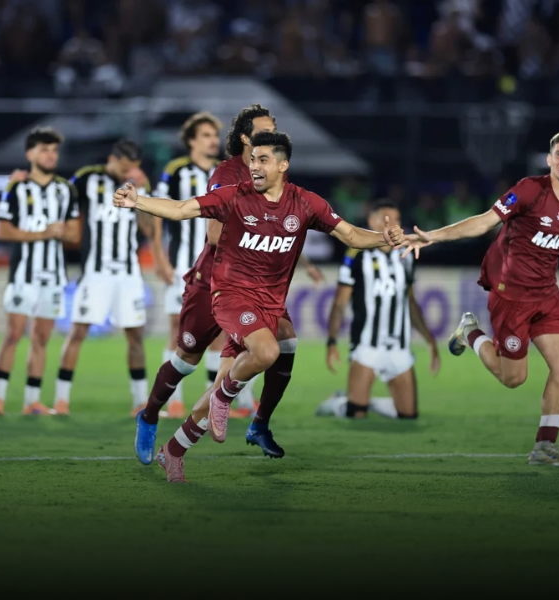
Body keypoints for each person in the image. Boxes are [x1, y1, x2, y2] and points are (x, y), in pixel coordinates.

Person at [115, 131, 405, 482]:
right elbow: (180, 209)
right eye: (252, 159)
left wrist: (382, 239)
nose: (254, 166)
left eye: (263, 159)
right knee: (265, 353)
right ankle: (220, 403)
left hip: (270, 303)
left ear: (283, 165)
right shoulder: (234, 197)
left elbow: (351, 235)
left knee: (270, 351)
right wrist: (138, 201)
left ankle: (174, 450)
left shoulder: (305, 203)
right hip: (231, 296)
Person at [402, 132, 559, 467]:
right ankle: (470, 332)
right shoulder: (530, 189)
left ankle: (544, 447)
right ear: (549, 159)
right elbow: (485, 222)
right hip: (511, 296)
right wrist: (434, 236)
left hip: (547, 295)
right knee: (513, 379)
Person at [53, 140, 159, 416]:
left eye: (133, 168)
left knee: (135, 336)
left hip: (128, 273)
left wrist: (142, 194)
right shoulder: (88, 177)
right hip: (95, 273)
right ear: (113, 160)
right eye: (124, 167)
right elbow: (62, 195)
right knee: (77, 332)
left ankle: (140, 402)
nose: (128, 172)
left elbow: (148, 229)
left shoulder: (137, 184)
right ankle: (61, 400)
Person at [317, 202, 439, 420]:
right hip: (366, 346)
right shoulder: (356, 254)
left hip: (399, 347)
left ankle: (366, 402)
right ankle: (337, 404)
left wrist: (429, 340)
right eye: (387, 218)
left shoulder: (407, 253)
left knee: (408, 416)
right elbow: (339, 303)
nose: (394, 224)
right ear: (373, 222)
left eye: (398, 219)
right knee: (356, 414)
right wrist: (332, 341)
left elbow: (410, 301)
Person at [0, 126, 80, 415]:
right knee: (14, 335)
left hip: (54, 278)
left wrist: (63, 232)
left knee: (41, 338)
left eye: (54, 150)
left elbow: (75, 234)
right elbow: (2, 230)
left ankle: (32, 401)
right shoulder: (16, 188)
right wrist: (43, 233)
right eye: (44, 149)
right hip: (23, 276)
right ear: (30, 154)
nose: (51, 155)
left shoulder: (65, 190)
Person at [152, 112, 223, 418]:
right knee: (176, 330)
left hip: (218, 266)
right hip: (183, 263)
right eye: (206, 135)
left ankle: (213, 401)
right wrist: (158, 255)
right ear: (192, 140)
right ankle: (174, 399)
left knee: (220, 332)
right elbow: (157, 211)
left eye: (215, 135)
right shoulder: (176, 170)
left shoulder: (225, 171)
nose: (213, 140)